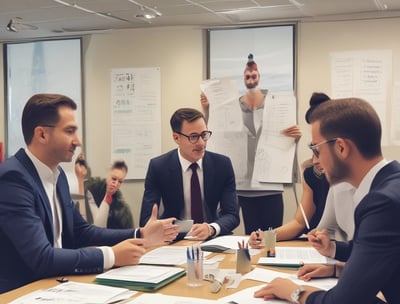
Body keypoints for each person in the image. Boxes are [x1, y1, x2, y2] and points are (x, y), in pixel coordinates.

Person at [0, 93, 179, 293]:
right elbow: (42, 258)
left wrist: (140, 233)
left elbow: (81, 232)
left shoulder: (56, 176)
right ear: (42, 134)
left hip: (56, 286)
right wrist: (110, 256)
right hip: (21, 293)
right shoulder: (13, 179)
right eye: (69, 131)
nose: (78, 141)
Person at [254, 97, 400, 303]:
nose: (315, 160)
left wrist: (294, 291)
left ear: (341, 147)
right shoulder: (391, 184)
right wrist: (335, 266)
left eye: (316, 149)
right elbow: (378, 251)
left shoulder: (383, 203)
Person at [201, 54, 301, 234]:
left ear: (259, 77)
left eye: (254, 75)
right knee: (251, 238)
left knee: (272, 238)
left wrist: (295, 137)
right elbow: (215, 134)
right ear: (243, 79)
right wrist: (208, 109)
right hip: (243, 187)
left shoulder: (276, 105)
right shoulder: (232, 107)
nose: (251, 79)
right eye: (247, 76)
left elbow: (286, 139)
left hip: (270, 185)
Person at [139, 108, 240, 241]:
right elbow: (146, 220)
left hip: (212, 238)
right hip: (174, 239)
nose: (201, 143)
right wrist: (182, 229)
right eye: (193, 137)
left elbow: (232, 214)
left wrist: (211, 228)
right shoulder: (158, 167)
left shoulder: (222, 165)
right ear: (176, 138)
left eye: (204, 135)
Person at [248, 92, 330, 246]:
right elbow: (299, 223)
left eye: (319, 150)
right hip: (315, 247)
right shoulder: (312, 174)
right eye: (313, 149)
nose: (314, 160)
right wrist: (265, 236)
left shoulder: (352, 179)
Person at [75, 156, 134, 229]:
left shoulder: (121, 210)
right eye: (114, 179)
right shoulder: (90, 191)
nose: (115, 183)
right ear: (108, 175)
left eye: (120, 181)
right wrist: (80, 178)